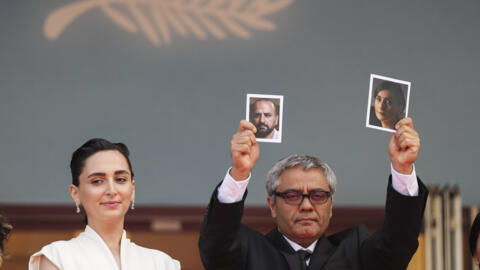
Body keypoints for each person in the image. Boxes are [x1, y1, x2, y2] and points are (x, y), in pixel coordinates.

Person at [199, 118, 428, 270]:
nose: (307, 206)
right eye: (292, 196)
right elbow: (215, 245)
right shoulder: (249, 252)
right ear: (272, 205)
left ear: (331, 205)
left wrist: (403, 169)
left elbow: (398, 241)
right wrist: (239, 173)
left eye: (318, 196)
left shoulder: (356, 251)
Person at [29, 138, 180, 270]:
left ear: (132, 189)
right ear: (75, 193)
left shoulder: (162, 264)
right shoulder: (56, 257)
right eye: (97, 181)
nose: (111, 190)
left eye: (120, 179)